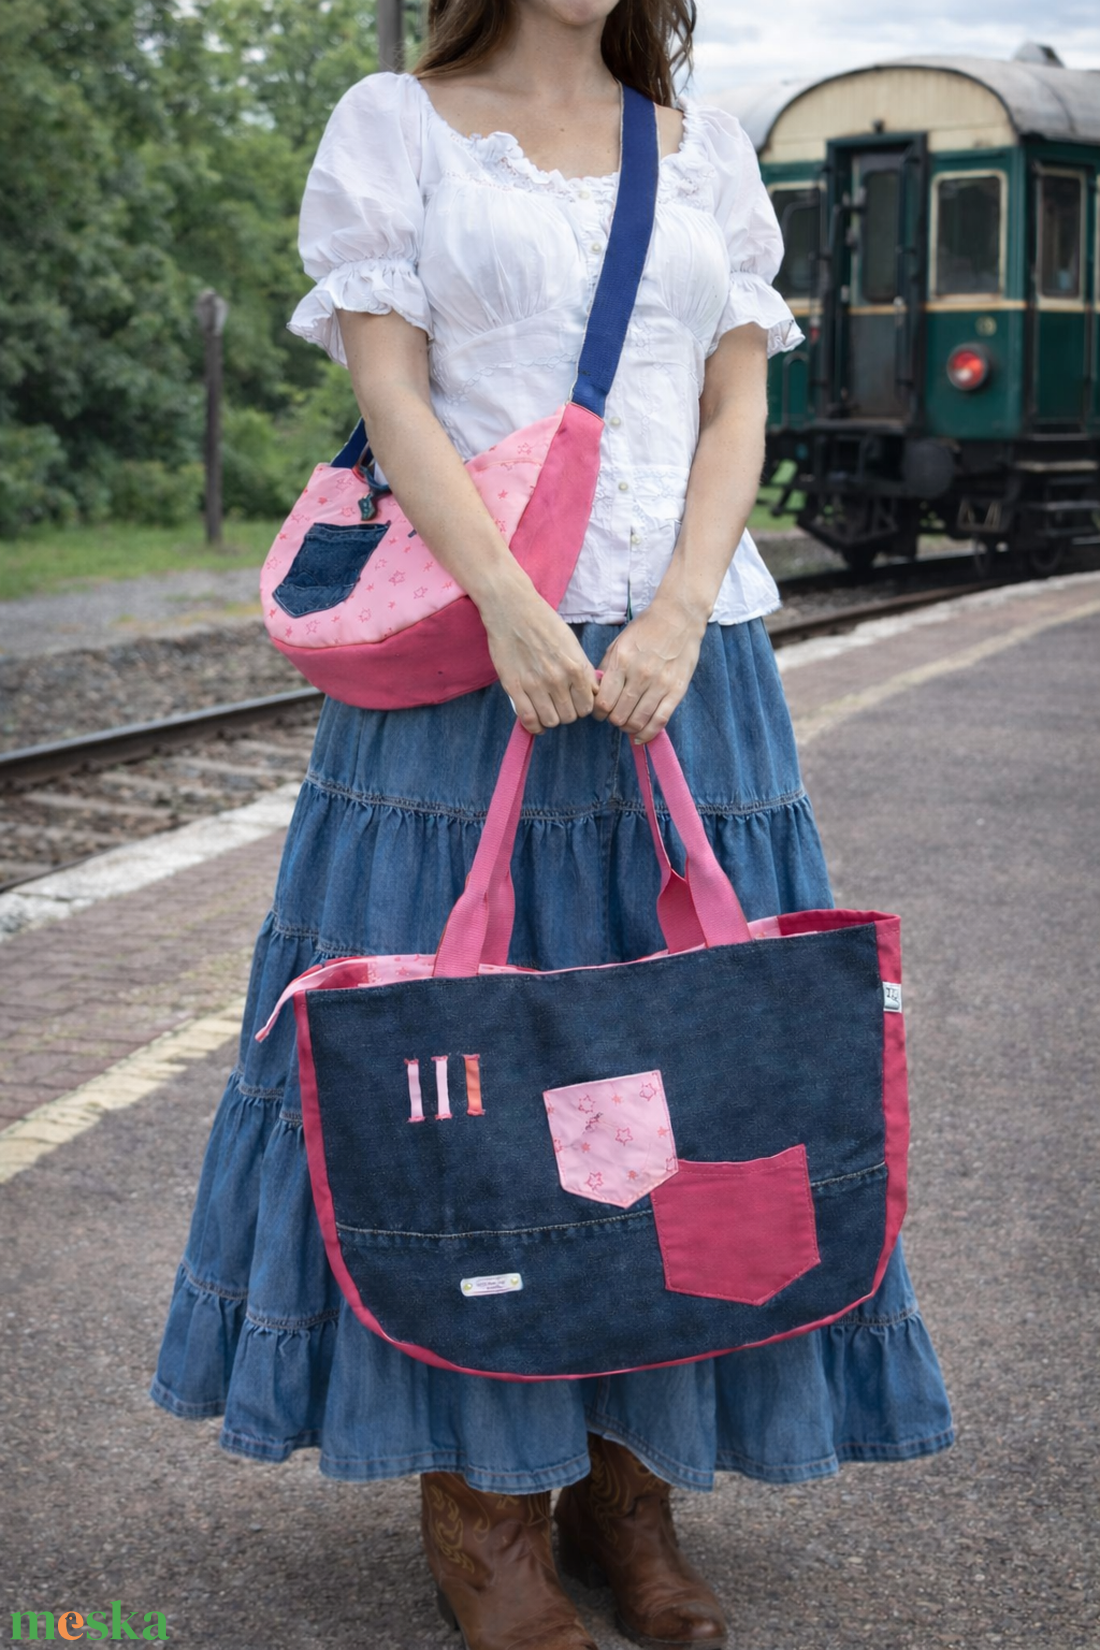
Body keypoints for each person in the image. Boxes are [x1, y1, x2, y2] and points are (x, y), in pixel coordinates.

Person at [152, 0, 955, 1644]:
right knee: (465, 1070)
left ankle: (624, 1481)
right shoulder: (394, 124)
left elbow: (737, 407)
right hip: (469, 662)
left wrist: (668, 617)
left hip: (693, 665)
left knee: (687, 1067)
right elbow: (394, 393)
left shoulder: (703, 141)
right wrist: (516, 605)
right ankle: (484, 1503)